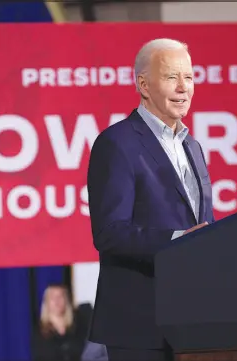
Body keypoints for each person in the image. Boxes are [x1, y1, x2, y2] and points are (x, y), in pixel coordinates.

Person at [86, 38, 215, 361]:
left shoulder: (193, 148)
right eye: (172, 77)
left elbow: (203, 227)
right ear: (143, 85)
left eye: (189, 77)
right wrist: (178, 241)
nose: (184, 87)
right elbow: (110, 233)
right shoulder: (117, 143)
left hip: (193, 320)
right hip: (141, 324)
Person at [31, 284, 87, 361]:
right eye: (52, 297)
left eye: (60, 296)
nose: (57, 300)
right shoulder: (40, 332)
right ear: (46, 302)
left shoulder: (78, 327)